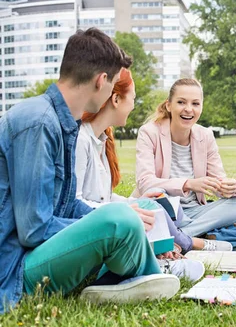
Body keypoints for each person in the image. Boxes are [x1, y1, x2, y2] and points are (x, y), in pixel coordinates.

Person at [0, 28, 178, 314]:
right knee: (117, 218)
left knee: (129, 213)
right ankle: (142, 277)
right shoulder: (38, 122)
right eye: (113, 84)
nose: (111, 93)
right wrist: (105, 223)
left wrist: (114, 217)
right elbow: (34, 230)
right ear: (101, 81)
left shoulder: (62, 123)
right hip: (16, 271)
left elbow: (67, 204)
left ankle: (129, 278)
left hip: (35, 256)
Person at [74, 68, 225, 276]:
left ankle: (165, 252)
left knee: (148, 204)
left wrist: (131, 204)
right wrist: (129, 209)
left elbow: (104, 197)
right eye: (133, 98)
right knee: (147, 209)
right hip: (92, 228)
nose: (134, 105)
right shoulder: (81, 140)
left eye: (195, 103)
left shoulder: (101, 141)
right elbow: (73, 204)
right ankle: (182, 246)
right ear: (116, 99)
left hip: (185, 213)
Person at [135, 78, 236, 239]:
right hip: (164, 210)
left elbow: (218, 182)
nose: (188, 109)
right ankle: (194, 233)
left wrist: (231, 187)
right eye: (181, 102)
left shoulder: (205, 135)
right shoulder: (149, 132)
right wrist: (188, 184)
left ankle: (183, 235)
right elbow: (145, 182)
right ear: (168, 105)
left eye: (195, 104)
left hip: (196, 213)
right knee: (155, 192)